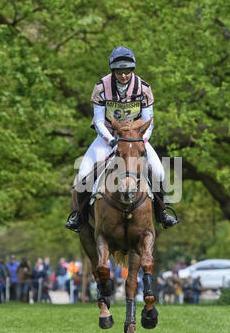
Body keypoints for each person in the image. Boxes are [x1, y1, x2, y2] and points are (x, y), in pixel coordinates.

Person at [66, 46, 179, 233]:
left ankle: (162, 213)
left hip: (136, 140)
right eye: (119, 71)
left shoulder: (144, 88)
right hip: (108, 137)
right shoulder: (101, 87)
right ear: (113, 70)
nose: (124, 75)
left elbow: (149, 122)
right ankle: (80, 216)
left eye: (128, 71)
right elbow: (100, 121)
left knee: (159, 172)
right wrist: (112, 141)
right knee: (83, 174)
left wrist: (142, 141)